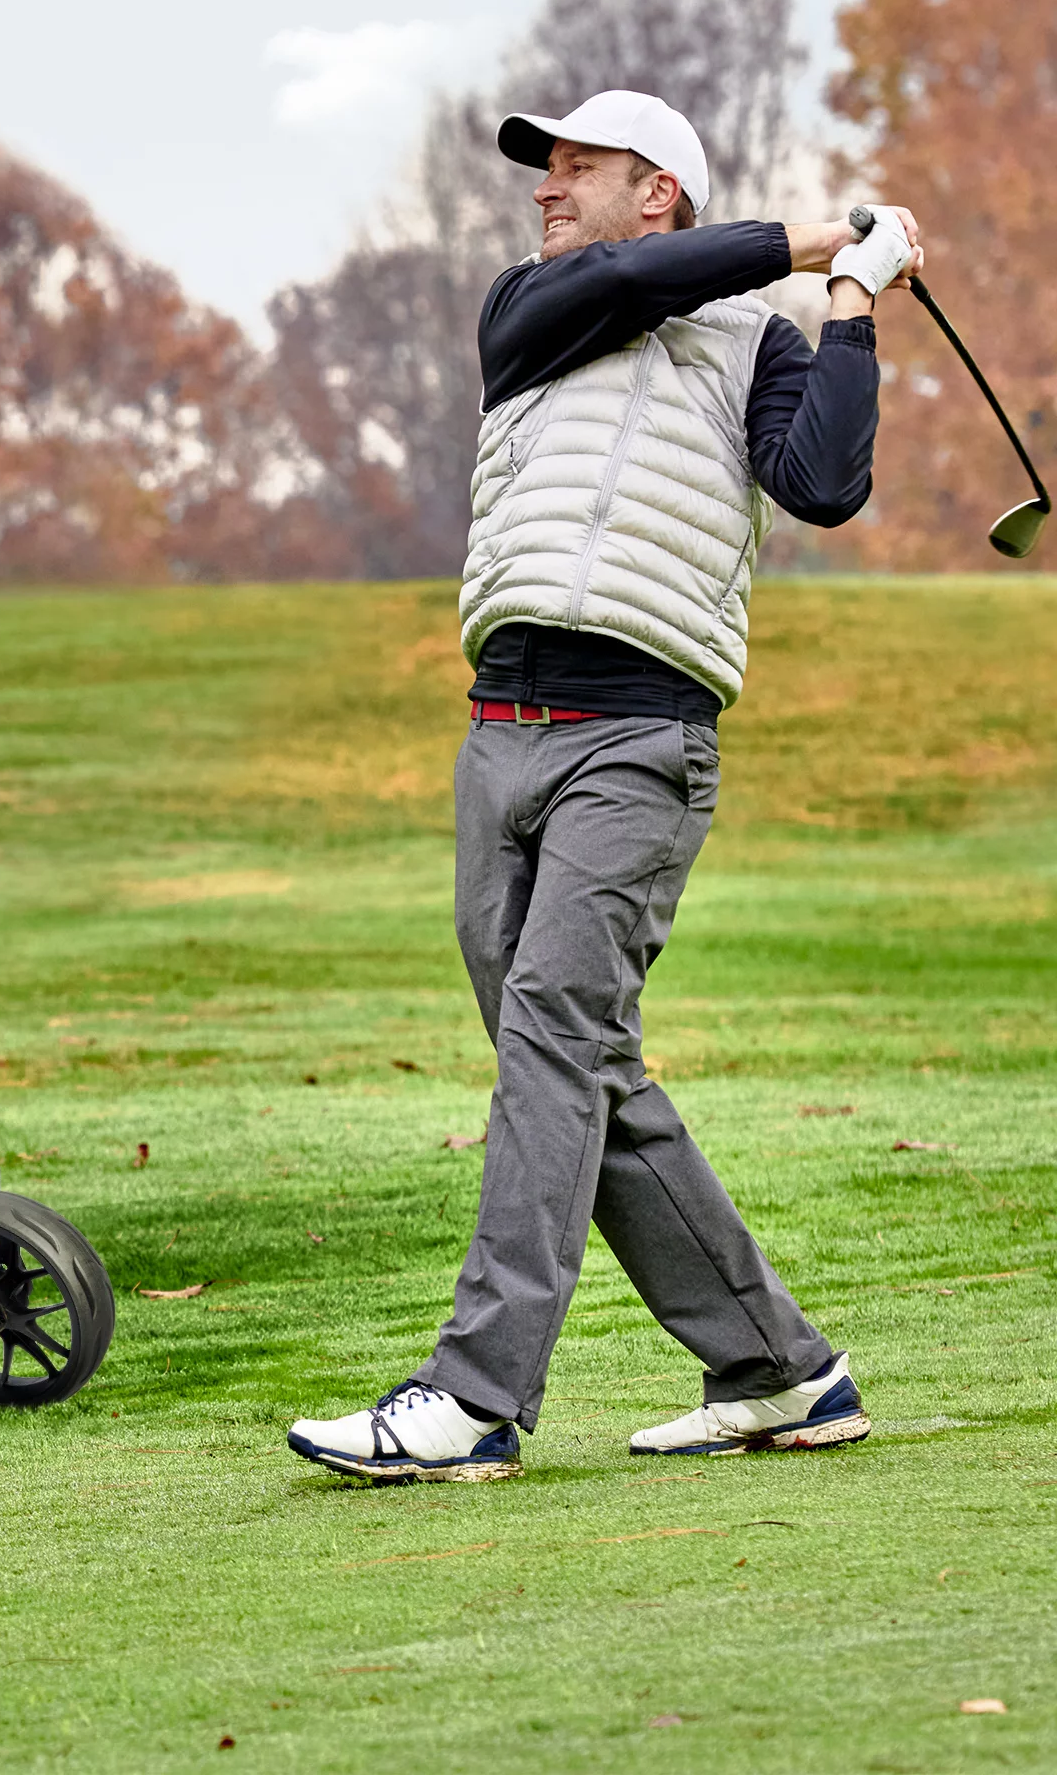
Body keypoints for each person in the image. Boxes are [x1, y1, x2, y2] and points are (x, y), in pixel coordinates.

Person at [287, 90, 918, 1483]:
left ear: (663, 190)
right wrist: (814, 237)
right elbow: (631, 283)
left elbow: (823, 486)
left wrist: (855, 305)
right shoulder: (535, 305)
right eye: (547, 167)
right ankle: (781, 1372)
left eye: (581, 167)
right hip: (497, 733)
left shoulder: (756, 339)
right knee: (569, 1062)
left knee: (558, 1043)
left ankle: (473, 1399)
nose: (546, 188)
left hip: (638, 741)